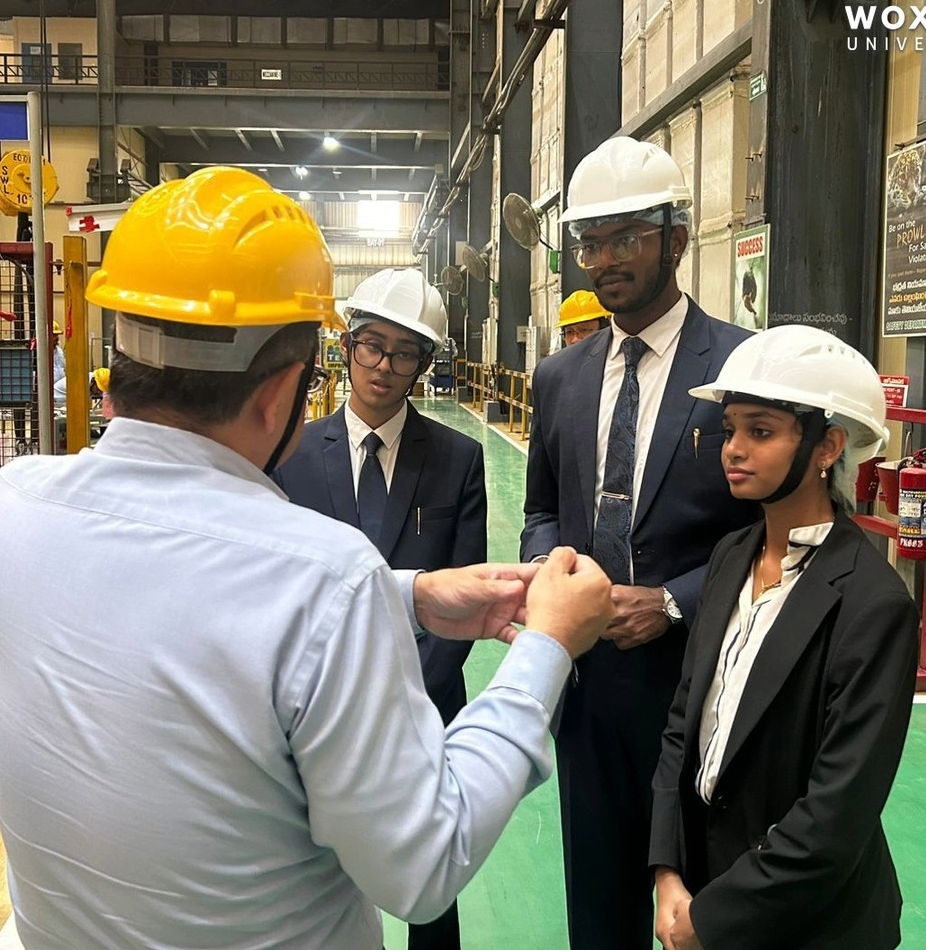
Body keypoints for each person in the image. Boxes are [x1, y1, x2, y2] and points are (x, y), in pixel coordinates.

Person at [0, 166, 615, 950]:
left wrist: (407, 594)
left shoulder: (15, 507)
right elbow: (423, 863)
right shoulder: (326, 578)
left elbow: (207, 588)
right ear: (281, 392)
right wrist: (546, 647)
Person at [520, 137, 759, 950]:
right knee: (598, 905)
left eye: (627, 237)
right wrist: (550, 571)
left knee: (701, 908)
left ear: (676, 240)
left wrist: (671, 601)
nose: (606, 259)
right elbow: (543, 508)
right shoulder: (560, 378)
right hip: (588, 686)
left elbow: (767, 529)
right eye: (592, 242)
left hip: (699, 683)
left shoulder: (737, 366)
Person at [650, 325, 920, 950]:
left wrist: (713, 920)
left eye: (761, 431)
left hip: (809, 922)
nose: (734, 449)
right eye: (730, 430)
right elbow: (682, 724)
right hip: (701, 889)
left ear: (828, 446)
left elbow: (837, 813)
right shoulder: (730, 556)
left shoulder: (872, 604)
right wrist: (667, 871)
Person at [273, 266, 483, 950]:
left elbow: (464, 593)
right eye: (372, 345)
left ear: (424, 363)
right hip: (314, 708)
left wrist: (402, 695)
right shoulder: (293, 456)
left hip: (425, 708)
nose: (385, 367)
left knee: (430, 882)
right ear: (347, 346)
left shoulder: (457, 459)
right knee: (318, 879)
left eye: (405, 353)